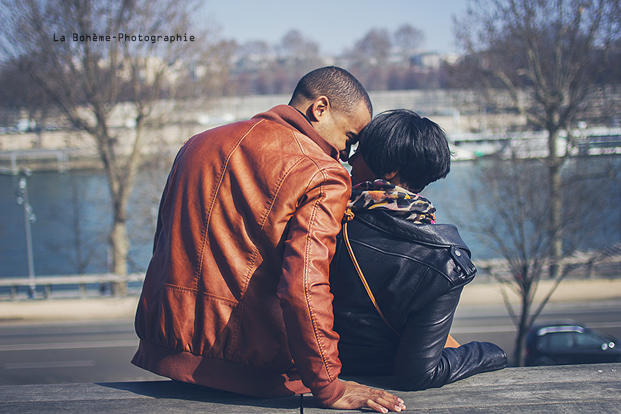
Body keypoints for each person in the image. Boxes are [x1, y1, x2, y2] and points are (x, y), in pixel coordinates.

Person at [132, 67, 406, 413]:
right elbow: (304, 286)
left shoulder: (198, 144)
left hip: (167, 353)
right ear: (320, 109)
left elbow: (164, 244)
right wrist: (329, 386)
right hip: (255, 372)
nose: (346, 154)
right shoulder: (323, 173)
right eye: (349, 138)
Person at [330, 109, 507, 390]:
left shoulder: (328, 222)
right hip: (379, 389)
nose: (350, 159)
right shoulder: (445, 261)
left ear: (390, 170)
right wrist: (487, 353)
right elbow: (417, 374)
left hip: (321, 379)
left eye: (360, 152)